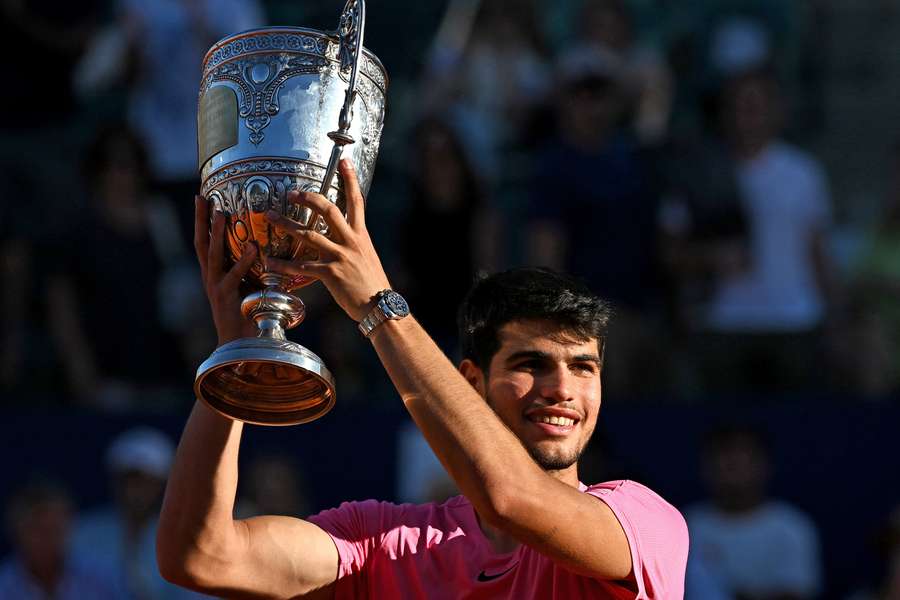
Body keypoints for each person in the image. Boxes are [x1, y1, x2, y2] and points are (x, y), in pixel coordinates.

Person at [157, 159, 689, 598]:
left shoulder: (644, 522)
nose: (562, 388)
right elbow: (199, 557)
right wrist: (236, 361)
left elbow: (508, 498)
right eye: (531, 365)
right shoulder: (388, 541)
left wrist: (378, 308)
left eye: (583, 367)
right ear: (472, 381)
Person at [685, 426, 823, 600]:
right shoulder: (685, 525)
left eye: (743, 460)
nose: (733, 469)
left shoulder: (792, 527)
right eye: (725, 459)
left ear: (765, 465)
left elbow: (798, 591)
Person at [0, 477, 121, 599]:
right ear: (17, 533)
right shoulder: (3, 586)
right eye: (36, 531)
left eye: (53, 530)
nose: (45, 540)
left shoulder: (99, 578)